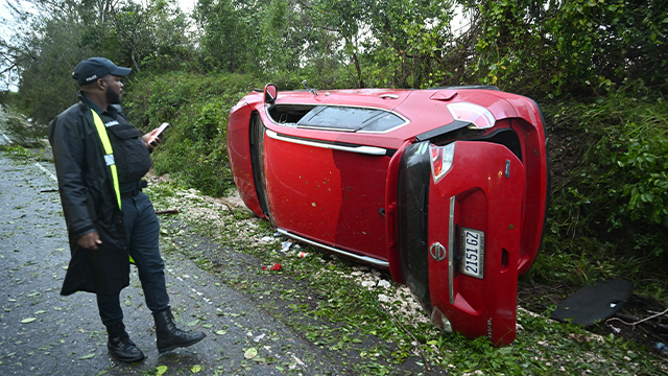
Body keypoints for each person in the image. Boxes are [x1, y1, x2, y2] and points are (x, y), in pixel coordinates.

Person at [48, 57, 205, 362]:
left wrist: (143, 143)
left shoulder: (114, 113)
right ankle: (117, 338)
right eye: (116, 79)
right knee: (108, 275)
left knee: (152, 266)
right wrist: (83, 226)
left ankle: (166, 329)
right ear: (100, 83)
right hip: (105, 212)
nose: (121, 83)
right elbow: (69, 179)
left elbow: (117, 151)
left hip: (139, 203)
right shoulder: (70, 122)